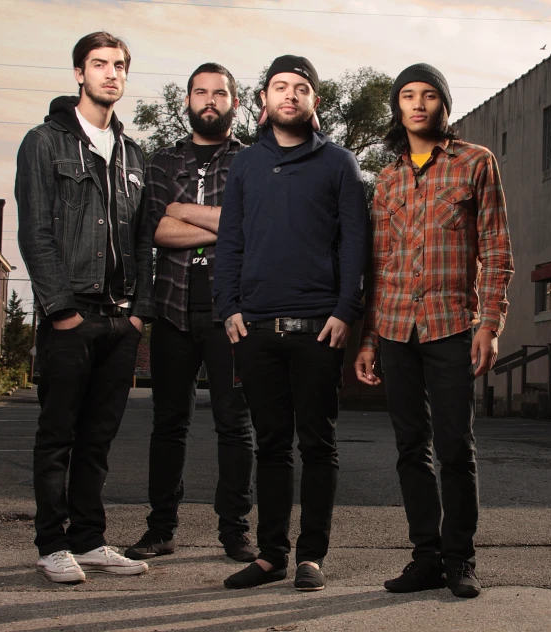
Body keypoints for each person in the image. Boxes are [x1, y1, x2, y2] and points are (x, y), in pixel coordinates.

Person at [354, 63, 514, 598]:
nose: (418, 104)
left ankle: (459, 558)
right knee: (409, 447)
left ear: (444, 105)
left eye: (428, 95)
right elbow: (378, 264)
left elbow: (496, 250)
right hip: (396, 329)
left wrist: (488, 324)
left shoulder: (475, 163)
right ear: (397, 107)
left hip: (450, 326)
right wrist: (371, 339)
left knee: (455, 447)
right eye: (407, 95)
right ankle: (424, 556)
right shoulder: (388, 178)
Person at [213, 55, 368, 592]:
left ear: (314, 102)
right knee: (271, 445)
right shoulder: (246, 166)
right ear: (263, 100)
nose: (290, 95)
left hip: (318, 329)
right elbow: (229, 242)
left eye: (302, 88)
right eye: (280, 86)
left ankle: (311, 557)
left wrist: (346, 310)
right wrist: (228, 308)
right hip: (256, 328)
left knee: (318, 445)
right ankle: (271, 554)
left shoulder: (339, 164)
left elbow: (355, 246)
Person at [16, 31, 155, 583]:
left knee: (98, 438)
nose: (111, 73)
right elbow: (35, 232)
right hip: (70, 314)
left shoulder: (132, 153)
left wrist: (139, 314)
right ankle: (52, 545)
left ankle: (90, 540)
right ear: (79, 74)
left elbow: (144, 240)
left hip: (121, 319)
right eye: (99, 64)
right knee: (58, 436)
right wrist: (60, 310)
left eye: (119, 65)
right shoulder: (44, 142)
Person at [124, 64, 257, 564]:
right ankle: (160, 530)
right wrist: (225, 227)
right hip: (173, 309)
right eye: (200, 92)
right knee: (168, 423)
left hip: (232, 313)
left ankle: (235, 531)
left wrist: (185, 214)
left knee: (233, 424)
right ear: (187, 101)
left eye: (219, 92)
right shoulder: (161, 163)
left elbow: (251, 225)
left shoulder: (251, 161)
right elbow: (155, 231)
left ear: (235, 103)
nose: (209, 100)